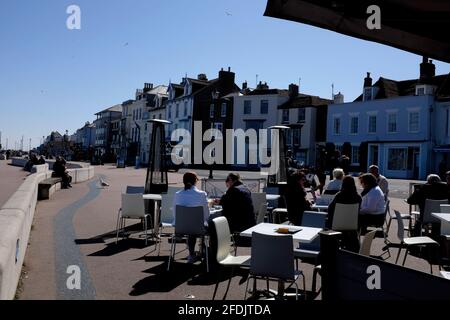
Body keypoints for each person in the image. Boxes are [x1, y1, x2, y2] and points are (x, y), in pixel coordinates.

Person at [174, 172, 210, 264]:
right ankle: (207, 253)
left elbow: (175, 212)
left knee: (191, 229)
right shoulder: (202, 194)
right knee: (210, 226)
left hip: (181, 227)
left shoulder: (177, 194)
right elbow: (206, 214)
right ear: (196, 181)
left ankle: (191, 254)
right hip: (197, 228)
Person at [326, 176, 362, 252]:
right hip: (352, 225)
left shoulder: (339, 195)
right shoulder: (358, 197)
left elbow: (330, 209)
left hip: (337, 224)